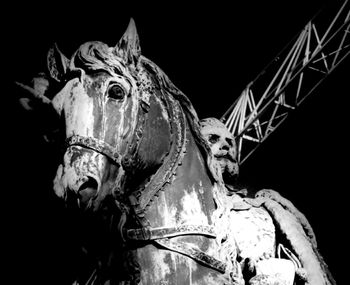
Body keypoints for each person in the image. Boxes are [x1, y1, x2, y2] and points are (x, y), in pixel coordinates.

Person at [199, 117, 335, 285]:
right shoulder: (186, 205)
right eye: (213, 138)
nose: (226, 145)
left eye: (230, 142)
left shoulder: (262, 207)